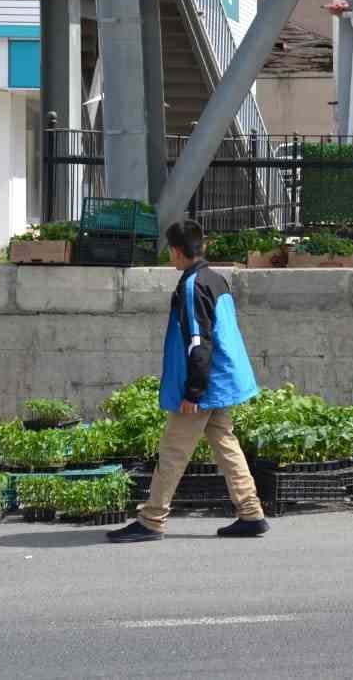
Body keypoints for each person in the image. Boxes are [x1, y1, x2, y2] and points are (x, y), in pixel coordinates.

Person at [108, 220, 268, 543]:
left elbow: (199, 342)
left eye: (170, 251)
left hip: (204, 384)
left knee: (172, 451)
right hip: (221, 380)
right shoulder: (216, 279)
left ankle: (152, 519)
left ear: (177, 252)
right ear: (202, 247)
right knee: (225, 442)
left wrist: (193, 391)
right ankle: (251, 514)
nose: (170, 257)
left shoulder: (193, 285)